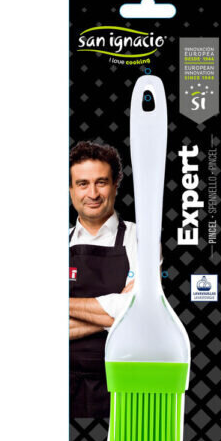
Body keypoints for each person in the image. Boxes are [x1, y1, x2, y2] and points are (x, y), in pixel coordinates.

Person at [69, 141, 136, 418]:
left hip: (122, 381)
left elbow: (137, 309)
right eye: (82, 184)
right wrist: (113, 314)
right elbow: (124, 311)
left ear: (116, 185)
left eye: (101, 182)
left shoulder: (140, 238)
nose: (93, 194)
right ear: (70, 189)